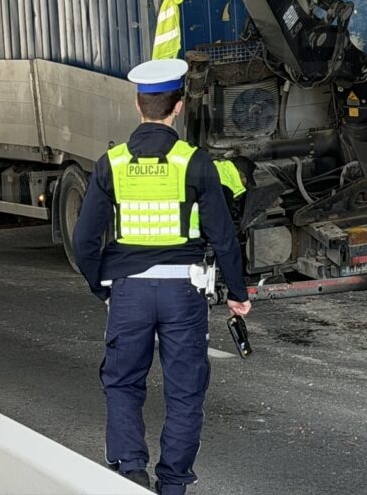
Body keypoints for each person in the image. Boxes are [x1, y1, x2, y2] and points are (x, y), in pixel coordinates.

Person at [73, 58, 252, 495]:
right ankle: (172, 483)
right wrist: (238, 294)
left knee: (122, 381)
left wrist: (101, 287)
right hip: (183, 292)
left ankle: (131, 470)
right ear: (179, 107)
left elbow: (84, 242)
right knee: (185, 391)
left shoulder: (110, 164)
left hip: (128, 293)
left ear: (138, 106)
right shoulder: (195, 162)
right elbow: (224, 238)